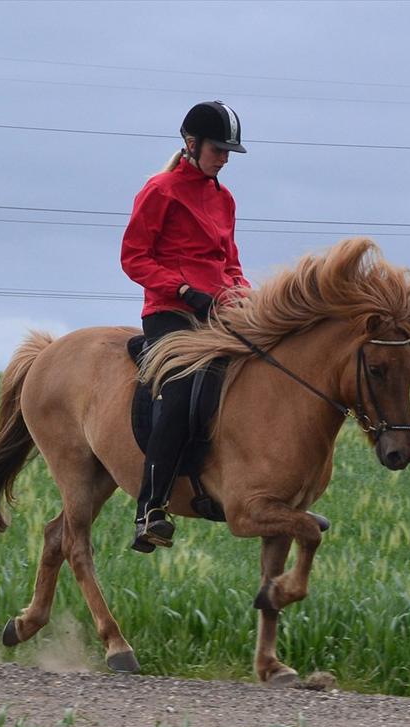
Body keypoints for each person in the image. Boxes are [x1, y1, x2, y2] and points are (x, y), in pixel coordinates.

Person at [121, 100, 250, 553]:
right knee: (183, 387)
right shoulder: (160, 191)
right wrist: (181, 291)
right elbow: (134, 258)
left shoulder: (224, 198)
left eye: (229, 150)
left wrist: (244, 296)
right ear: (191, 145)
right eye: (219, 148)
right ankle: (150, 509)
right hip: (169, 311)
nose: (225, 158)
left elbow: (230, 264)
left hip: (214, 312)